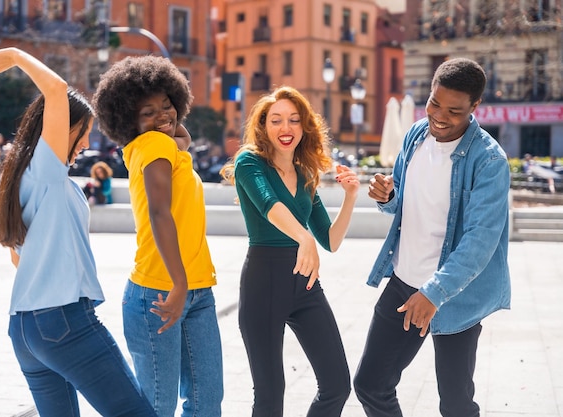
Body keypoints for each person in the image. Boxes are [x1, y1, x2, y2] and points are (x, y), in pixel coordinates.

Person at [0, 47, 157, 417]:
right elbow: (56, 91)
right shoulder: (46, 169)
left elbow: (18, 256)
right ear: (63, 129)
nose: (86, 143)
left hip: (25, 329)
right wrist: (16, 56)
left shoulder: (21, 177)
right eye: (84, 133)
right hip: (64, 323)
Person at [353, 58, 511, 417]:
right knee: (370, 386)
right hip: (404, 283)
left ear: (475, 108)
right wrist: (388, 196)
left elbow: (480, 241)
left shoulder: (489, 162)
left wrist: (434, 292)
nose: (439, 116)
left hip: (455, 295)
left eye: (453, 110)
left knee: (456, 406)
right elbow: (402, 202)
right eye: (434, 103)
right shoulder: (414, 135)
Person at [92, 55, 223, 417]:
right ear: (127, 120)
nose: (162, 117)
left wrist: (178, 131)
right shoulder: (152, 146)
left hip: (196, 288)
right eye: (147, 112)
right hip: (162, 291)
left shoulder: (164, 147)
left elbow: (180, 137)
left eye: (167, 106)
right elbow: (159, 211)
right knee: (159, 407)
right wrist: (178, 284)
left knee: (207, 403)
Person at [219, 85, 358, 417]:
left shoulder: (306, 174)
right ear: (264, 125)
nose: (286, 128)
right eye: (277, 120)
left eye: (294, 120)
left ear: (304, 127)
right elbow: (270, 205)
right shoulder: (249, 163)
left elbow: (330, 240)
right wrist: (302, 237)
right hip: (263, 282)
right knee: (269, 397)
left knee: (337, 385)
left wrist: (351, 197)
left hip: (305, 287)